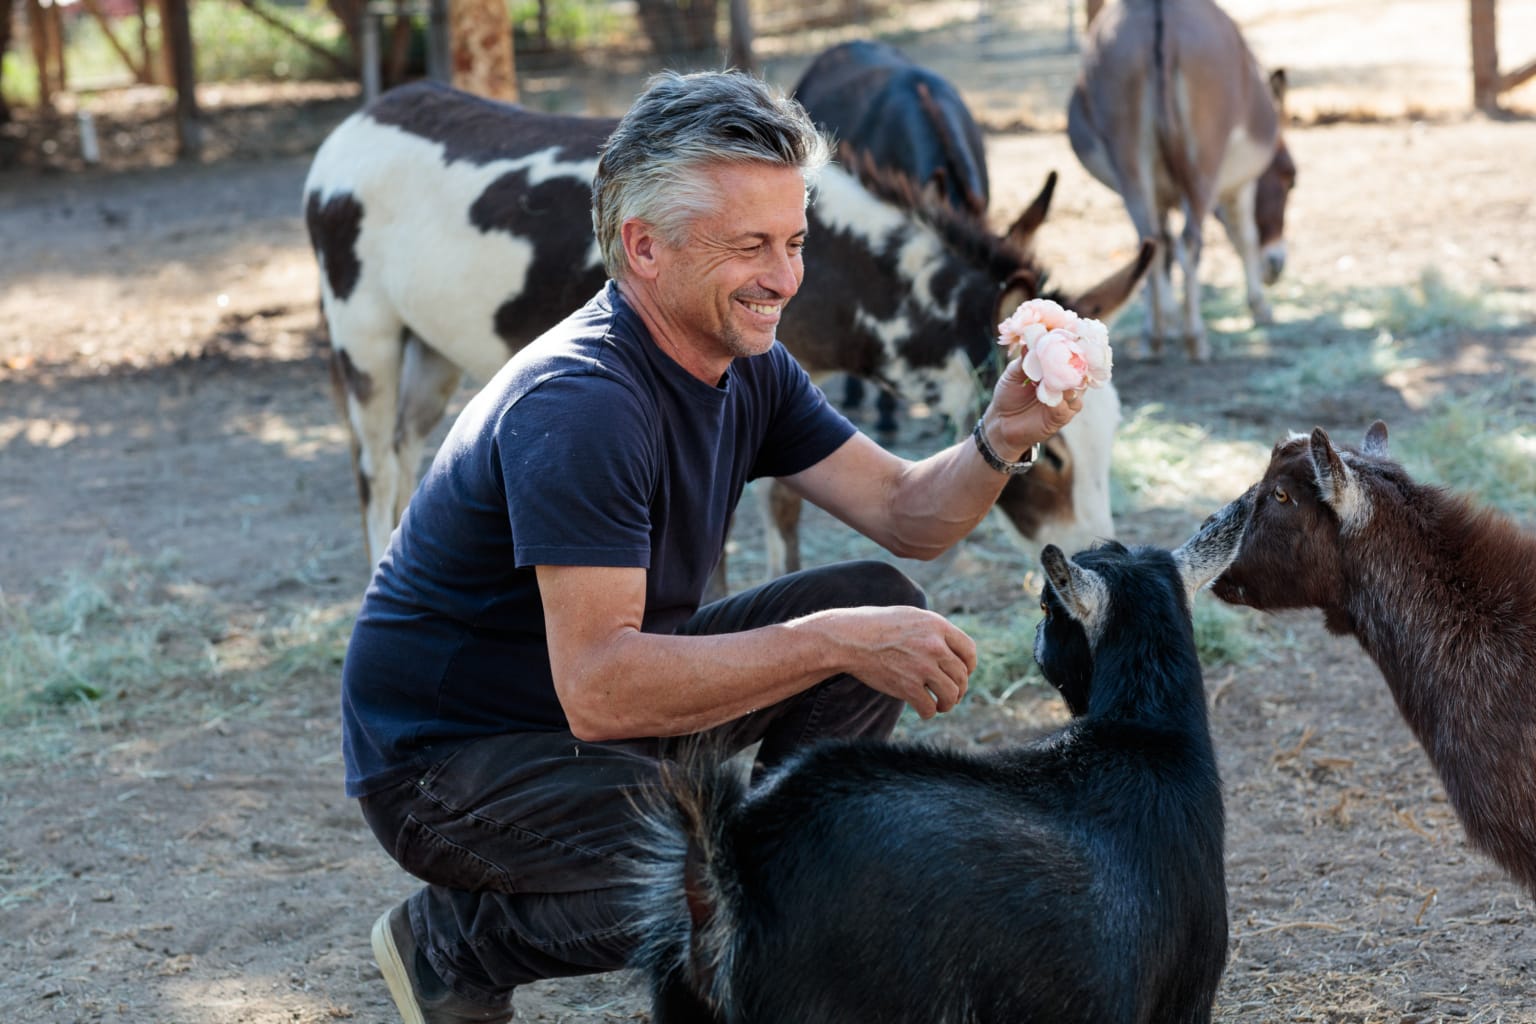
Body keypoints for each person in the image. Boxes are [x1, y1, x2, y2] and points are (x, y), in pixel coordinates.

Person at [342, 68, 1085, 1024]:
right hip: (446, 764)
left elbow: (910, 514)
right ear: (644, 247)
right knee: (723, 870)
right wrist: (832, 641)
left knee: (871, 599)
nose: (785, 278)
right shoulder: (586, 403)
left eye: (793, 242)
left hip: (587, 709)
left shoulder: (750, 361)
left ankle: (772, 910)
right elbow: (602, 685)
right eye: (751, 247)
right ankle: (451, 947)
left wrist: (1005, 433)